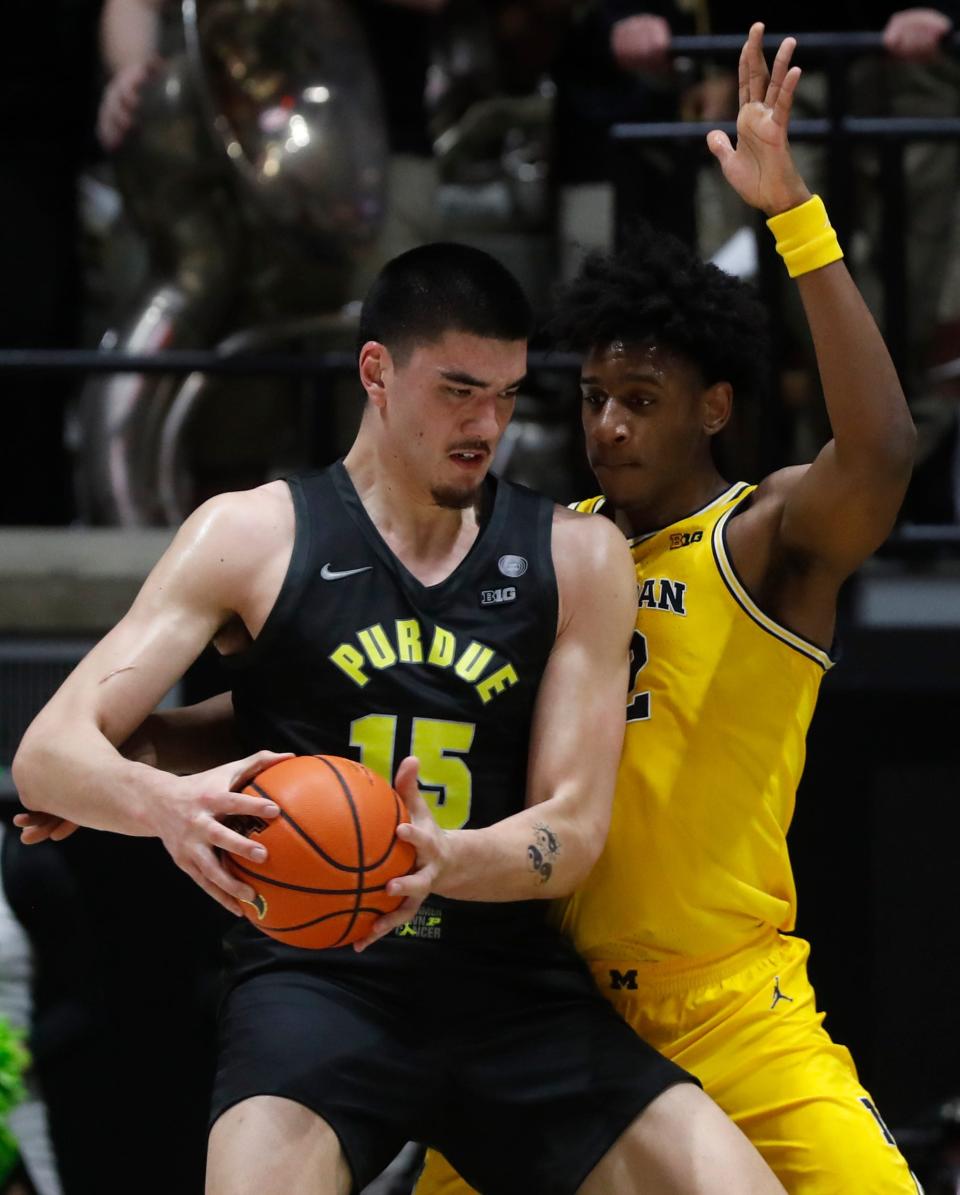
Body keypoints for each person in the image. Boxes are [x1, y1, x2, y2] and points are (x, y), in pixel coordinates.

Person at [12, 240, 786, 1194]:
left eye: (506, 395)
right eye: (459, 390)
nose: (487, 423)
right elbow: (47, 753)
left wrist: (438, 861)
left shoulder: (578, 554)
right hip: (315, 983)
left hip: (509, 987)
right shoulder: (250, 534)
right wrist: (167, 804)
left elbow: (574, 827)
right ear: (377, 371)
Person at [418, 23, 922, 1195]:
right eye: (594, 397)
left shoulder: (764, 542)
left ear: (713, 408)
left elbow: (886, 449)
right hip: (551, 1008)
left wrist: (793, 212)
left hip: (733, 1003)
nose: (608, 426)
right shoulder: (544, 552)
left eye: (641, 399)